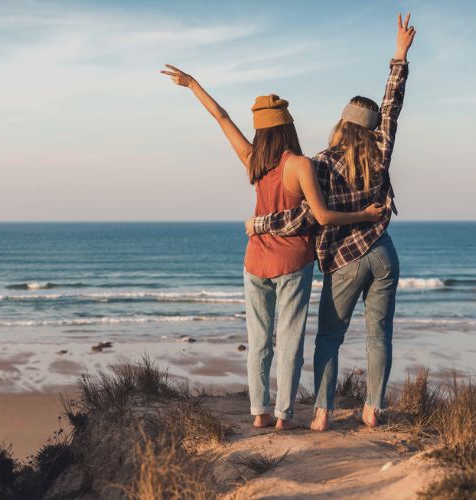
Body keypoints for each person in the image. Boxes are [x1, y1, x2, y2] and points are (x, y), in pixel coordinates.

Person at [161, 65, 383, 429]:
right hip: (293, 261)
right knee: (290, 341)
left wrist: (192, 85)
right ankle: (283, 416)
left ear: (261, 132)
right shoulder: (300, 165)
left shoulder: (252, 162)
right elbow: (323, 217)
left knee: (259, 342)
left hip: (254, 261)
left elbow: (222, 118)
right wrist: (365, 213)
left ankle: (259, 412)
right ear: (289, 128)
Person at [250, 13, 415, 431]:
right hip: (383, 253)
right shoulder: (381, 150)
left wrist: (263, 224)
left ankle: (322, 413)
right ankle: (372, 409)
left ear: (341, 123)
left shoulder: (321, 163)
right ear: (371, 128)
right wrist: (399, 55)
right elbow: (392, 104)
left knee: (329, 337)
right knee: (379, 335)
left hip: (345, 260)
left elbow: (306, 217)